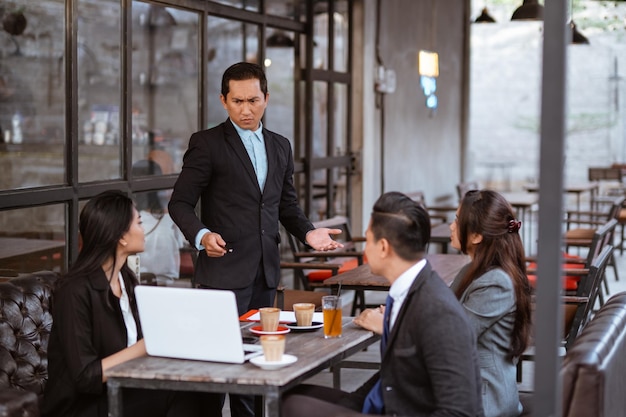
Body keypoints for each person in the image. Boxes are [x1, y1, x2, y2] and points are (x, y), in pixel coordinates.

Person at [168, 61, 343, 417]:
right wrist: (202, 235)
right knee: (217, 373)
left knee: (262, 368)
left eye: (253, 100)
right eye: (237, 101)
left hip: (266, 275)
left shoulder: (280, 146)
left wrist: (309, 232)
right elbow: (180, 203)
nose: (245, 110)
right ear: (223, 100)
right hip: (222, 276)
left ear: (266, 98)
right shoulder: (207, 144)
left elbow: (286, 205)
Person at [281, 191, 484, 417]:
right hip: (388, 402)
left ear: (384, 247)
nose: (365, 250)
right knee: (291, 395)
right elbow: (391, 377)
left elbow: (460, 411)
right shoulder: (407, 291)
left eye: (368, 240)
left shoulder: (438, 311)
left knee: (296, 408)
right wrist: (354, 403)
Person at [42, 190, 204, 417]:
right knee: (182, 393)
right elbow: (85, 378)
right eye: (139, 223)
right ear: (121, 237)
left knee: (197, 388)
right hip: (82, 405)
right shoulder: (74, 291)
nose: (144, 230)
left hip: (120, 389)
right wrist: (144, 347)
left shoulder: (125, 280)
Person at [449, 189, 532, 417]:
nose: (451, 226)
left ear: (476, 236)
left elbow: (451, 335)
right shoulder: (472, 269)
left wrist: (389, 324)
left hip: (485, 400)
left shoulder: (496, 282)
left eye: (457, 220)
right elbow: (442, 312)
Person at [132, 159, 185, 285]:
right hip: (170, 283)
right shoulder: (171, 220)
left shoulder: (131, 222)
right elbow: (182, 249)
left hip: (139, 282)